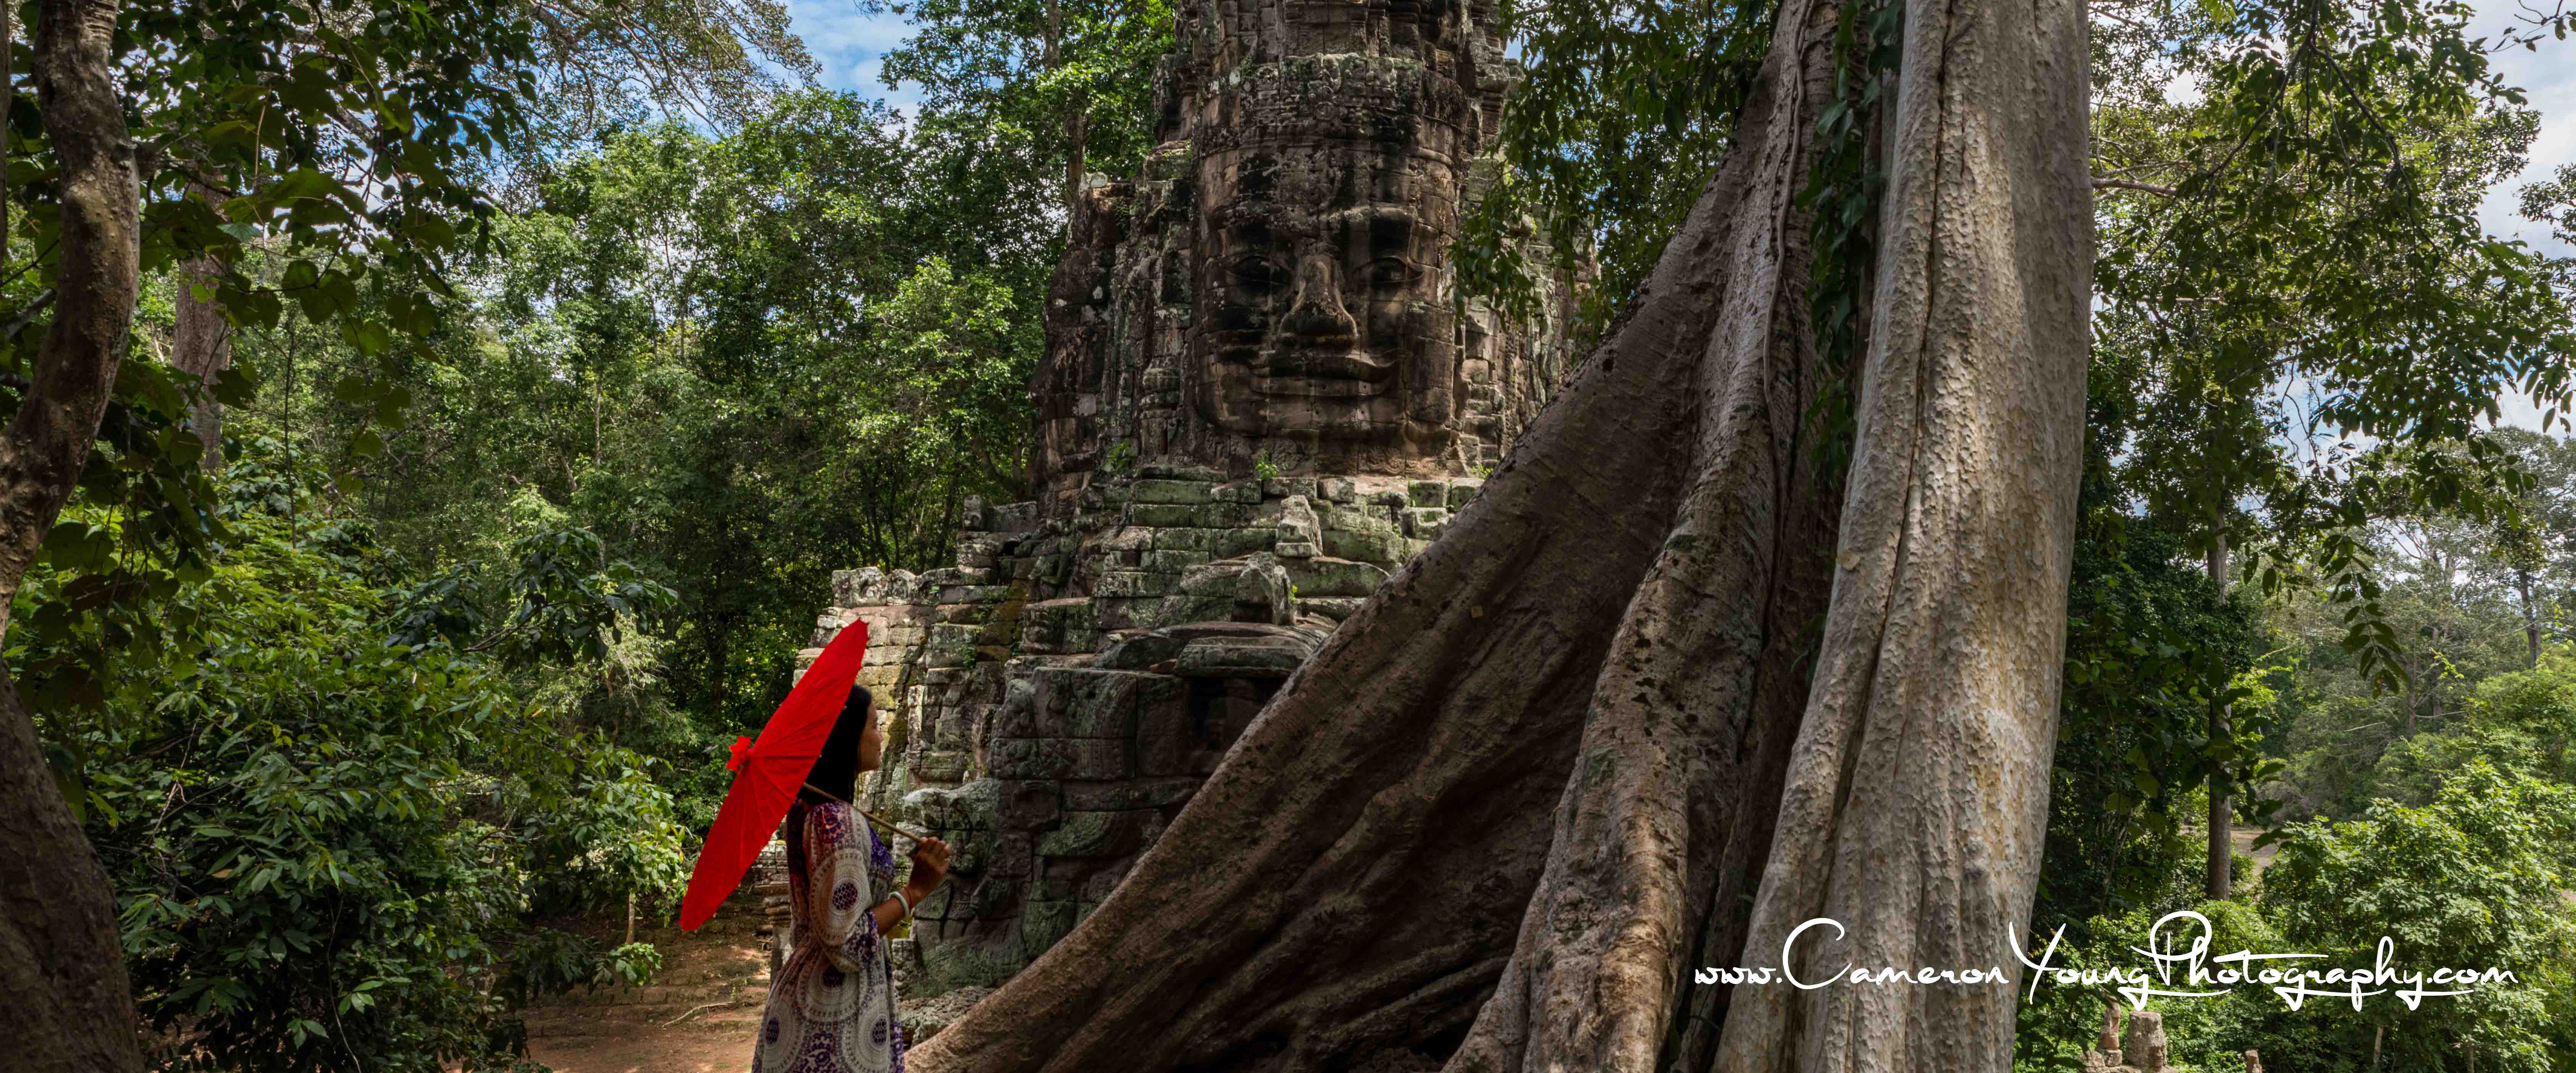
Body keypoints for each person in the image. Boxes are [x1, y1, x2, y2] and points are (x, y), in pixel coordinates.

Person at [752, 683, 951, 1073]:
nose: (880, 735)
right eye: (874, 725)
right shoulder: (836, 821)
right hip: (834, 1017)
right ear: (847, 736)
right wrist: (916, 890)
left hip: (817, 999)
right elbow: (849, 944)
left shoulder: (810, 809)